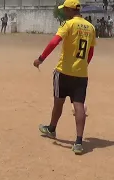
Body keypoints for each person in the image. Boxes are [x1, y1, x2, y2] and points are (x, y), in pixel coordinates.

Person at [33, 0, 96, 154]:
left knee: (58, 102)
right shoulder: (91, 27)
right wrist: (83, 65)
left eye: (64, 10)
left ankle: (52, 128)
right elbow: (90, 52)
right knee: (79, 105)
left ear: (69, 10)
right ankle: (79, 142)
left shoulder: (68, 24)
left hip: (63, 72)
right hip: (81, 74)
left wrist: (41, 58)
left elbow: (54, 41)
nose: (63, 12)